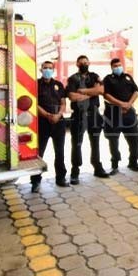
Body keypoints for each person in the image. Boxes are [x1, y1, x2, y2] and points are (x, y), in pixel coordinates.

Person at [66, 55, 110, 184]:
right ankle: (75, 171)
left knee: (95, 142)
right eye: (81, 62)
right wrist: (92, 92)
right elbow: (73, 97)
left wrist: (83, 91)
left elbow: (101, 90)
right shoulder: (73, 79)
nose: (84, 64)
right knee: (77, 143)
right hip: (79, 114)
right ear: (77, 64)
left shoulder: (95, 76)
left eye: (86, 62)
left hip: (94, 114)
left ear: (89, 63)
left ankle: (97, 166)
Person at [30, 60, 67, 191]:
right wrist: (46, 115)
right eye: (45, 68)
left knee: (60, 152)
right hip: (42, 122)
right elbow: (34, 102)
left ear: (53, 70)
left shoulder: (59, 85)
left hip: (59, 123)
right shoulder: (35, 84)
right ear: (41, 70)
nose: (47, 70)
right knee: (39, 153)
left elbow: (63, 103)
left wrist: (58, 115)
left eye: (50, 68)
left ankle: (61, 178)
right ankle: (35, 181)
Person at [102, 58, 138, 173]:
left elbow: (135, 92)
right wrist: (121, 104)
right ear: (112, 67)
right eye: (115, 66)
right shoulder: (108, 79)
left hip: (129, 114)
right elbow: (106, 95)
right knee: (113, 140)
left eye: (119, 65)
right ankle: (115, 165)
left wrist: (128, 104)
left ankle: (133, 162)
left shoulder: (128, 77)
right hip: (113, 114)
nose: (118, 67)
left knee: (134, 139)